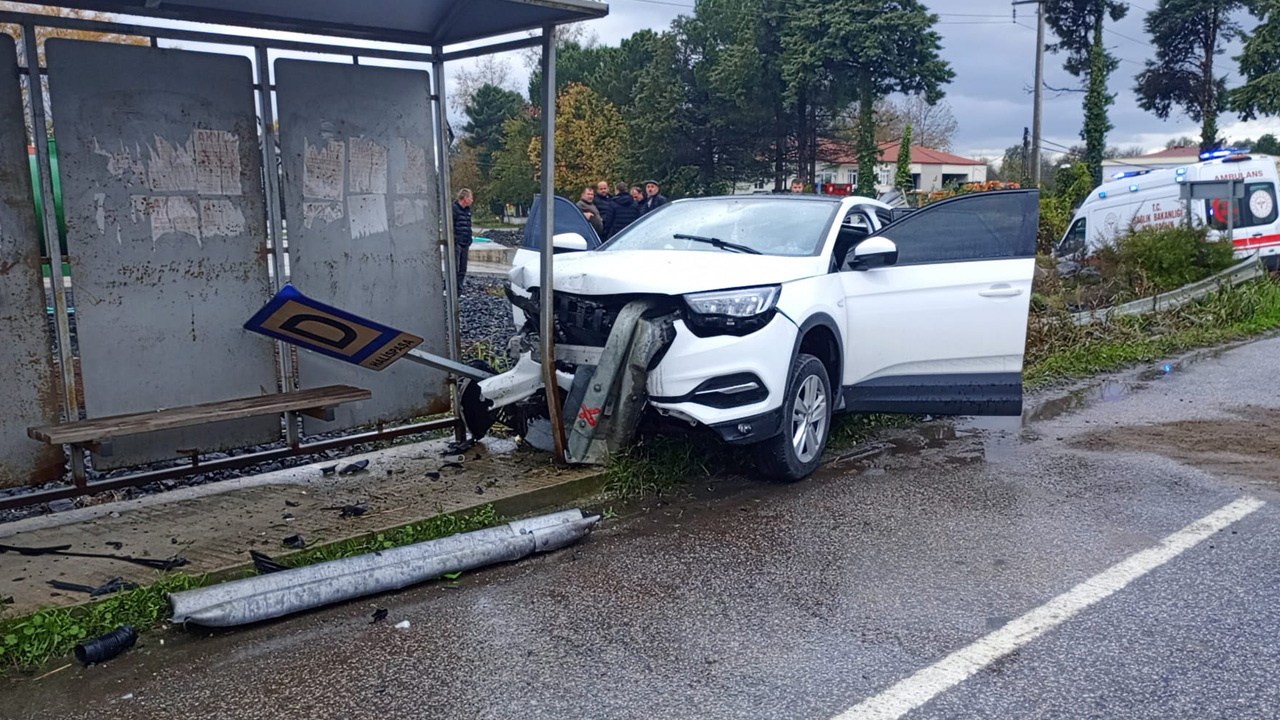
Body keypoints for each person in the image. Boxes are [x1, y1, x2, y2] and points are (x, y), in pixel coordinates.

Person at [451, 188, 473, 292]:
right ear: (465, 198)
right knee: (455, 267)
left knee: (463, 268)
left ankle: (459, 289)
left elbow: (468, 225)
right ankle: (451, 287)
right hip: (457, 243)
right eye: (470, 198)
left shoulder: (468, 210)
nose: (472, 200)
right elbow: (451, 226)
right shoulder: (454, 209)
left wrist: (469, 239)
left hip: (465, 242)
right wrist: (455, 239)